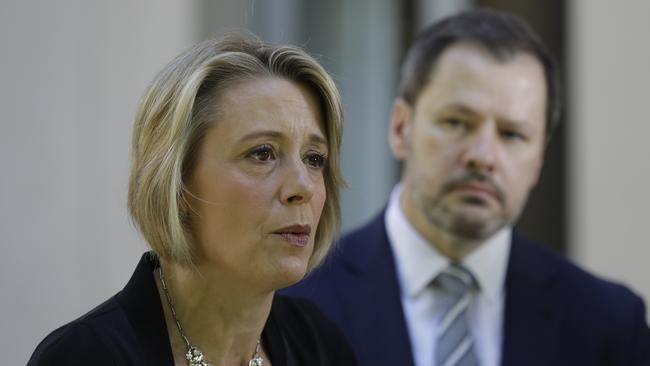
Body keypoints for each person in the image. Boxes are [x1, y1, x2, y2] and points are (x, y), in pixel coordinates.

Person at [283, 8, 650, 366]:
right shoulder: (294, 302)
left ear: (539, 159)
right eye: (457, 122)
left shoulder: (609, 324)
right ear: (400, 128)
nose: (482, 156)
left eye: (512, 134)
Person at [28, 35, 356, 366]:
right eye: (262, 153)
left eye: (314, 158)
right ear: (178, 183)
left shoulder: (321, 345)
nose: (304, 187)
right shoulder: (83, 357)